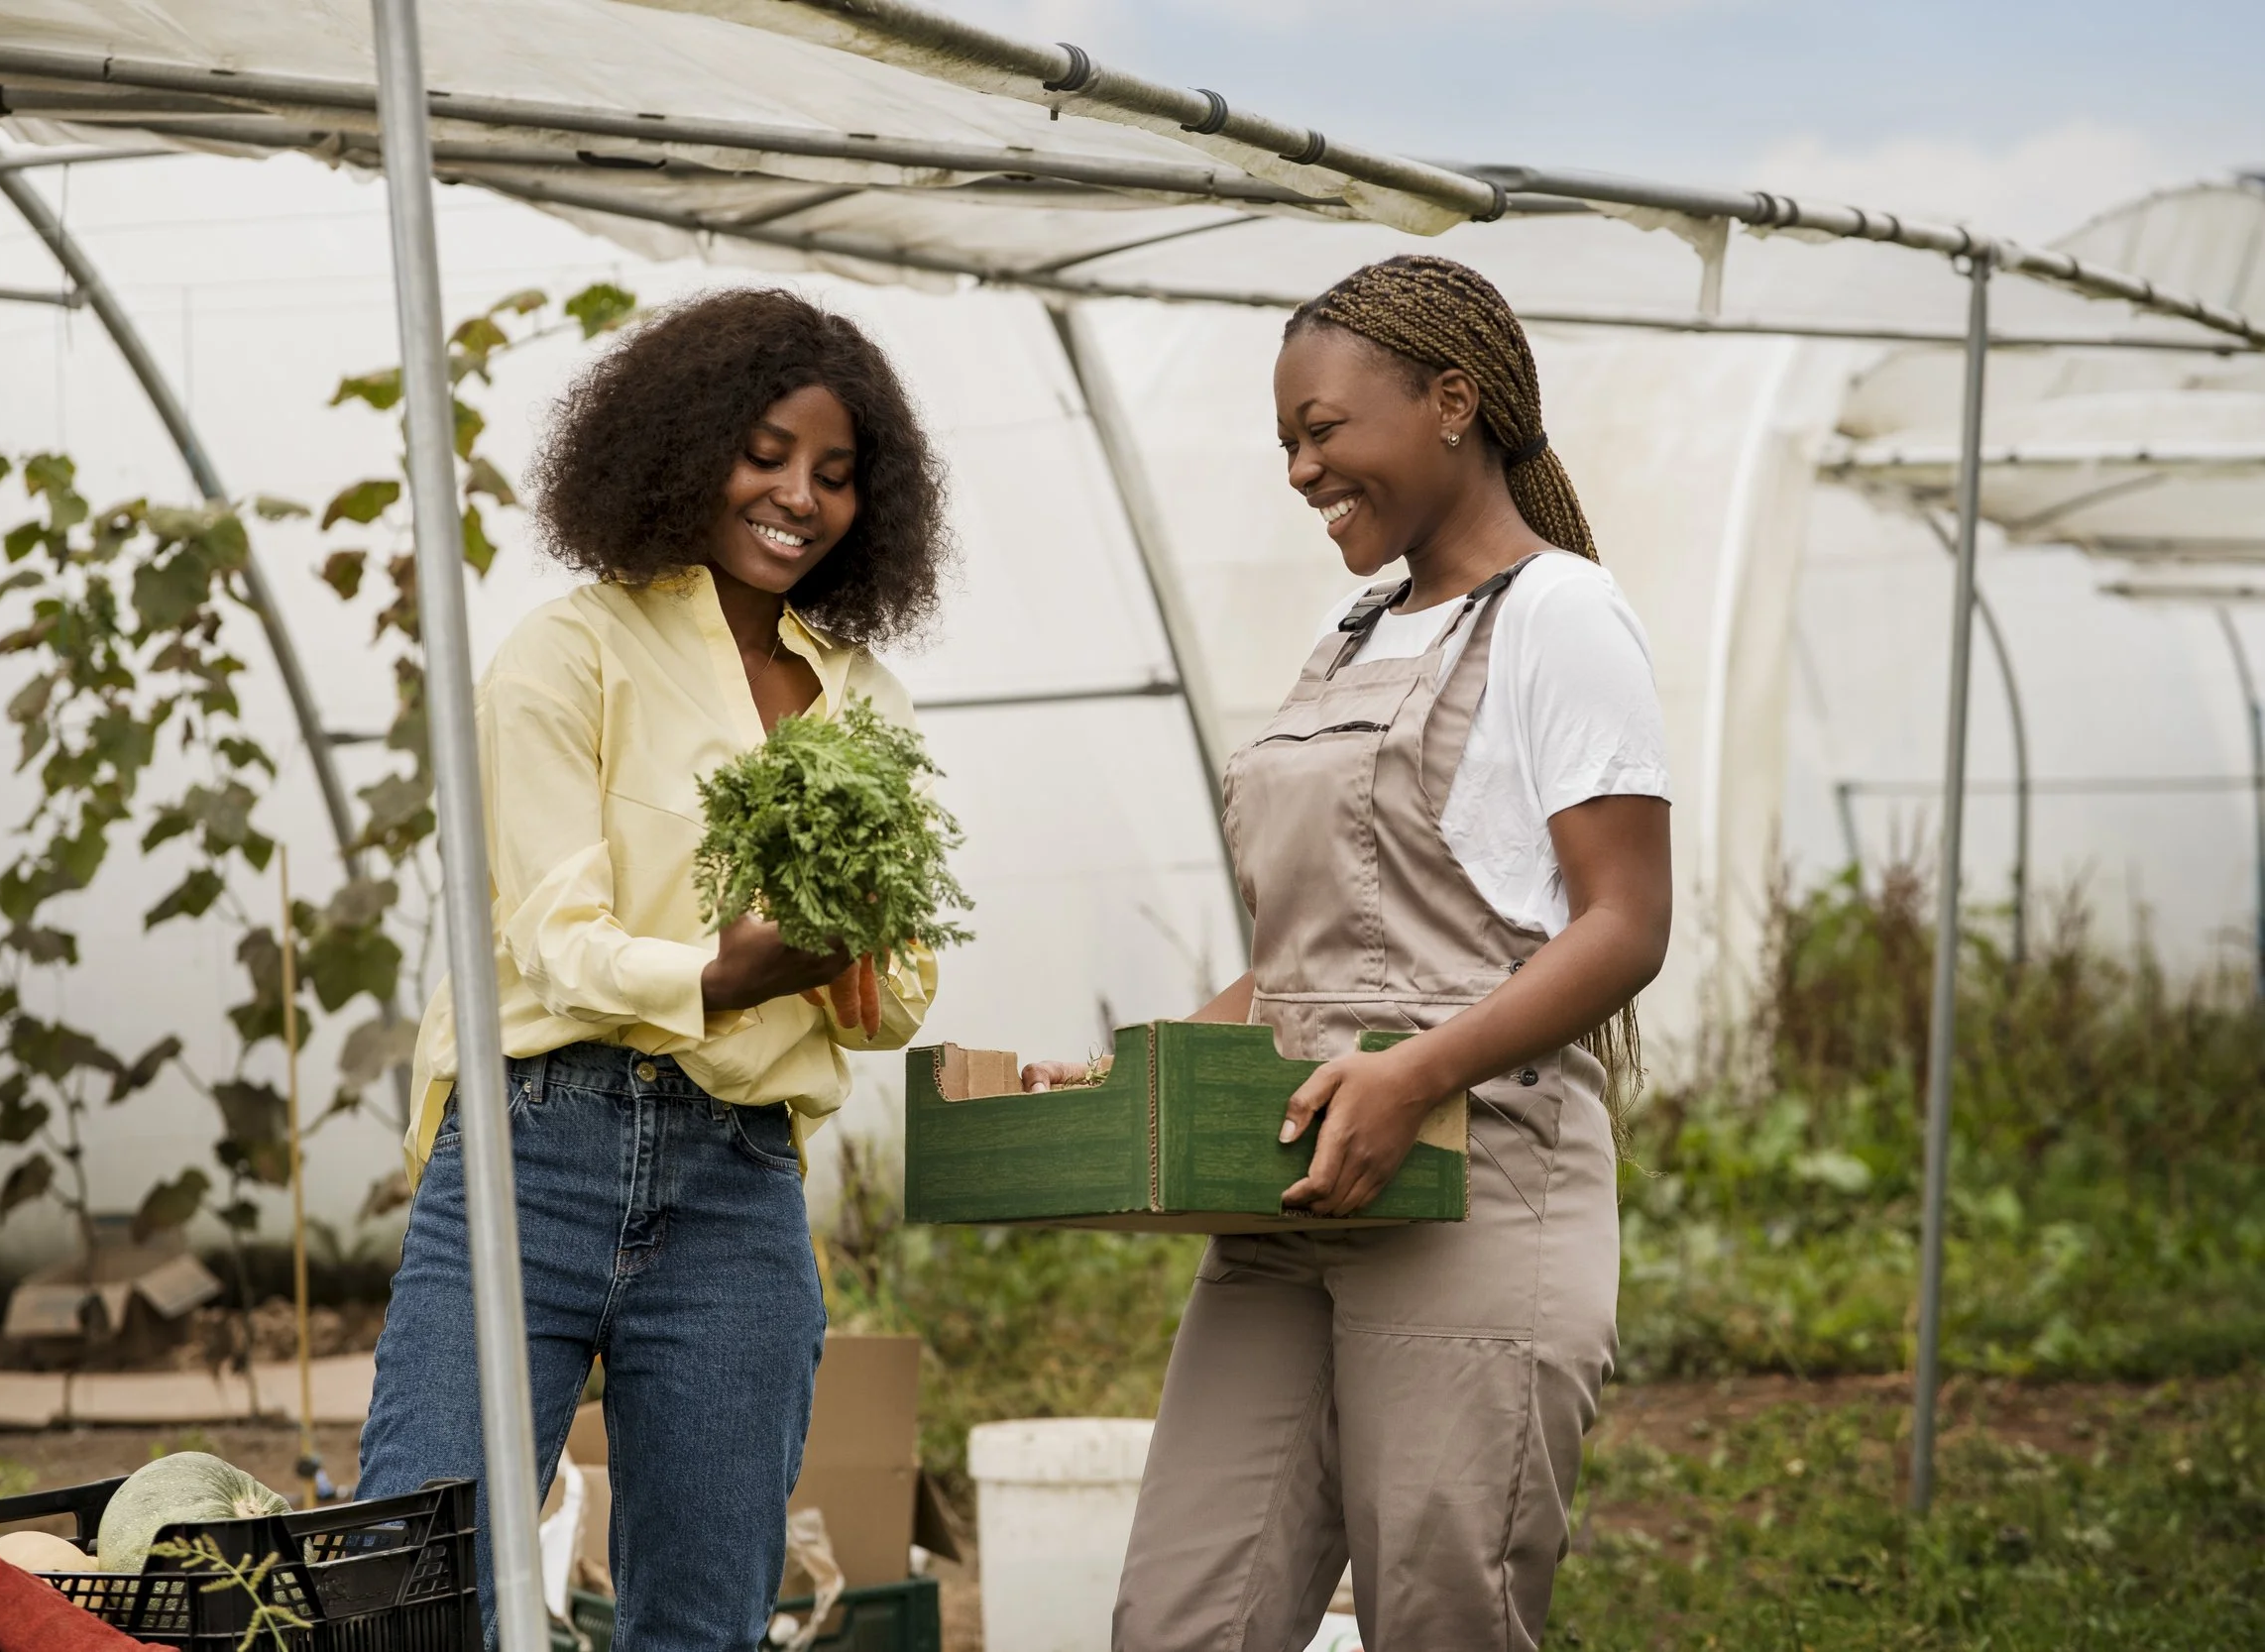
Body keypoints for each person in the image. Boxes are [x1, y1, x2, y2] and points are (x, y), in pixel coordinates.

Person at [1029, 255, 1672, 1651]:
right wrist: (1127, 1079)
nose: (1302, 468)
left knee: (1445, 1611)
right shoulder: (1353, 629)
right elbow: (1309, 956)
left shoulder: (1563, 614)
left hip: (1471, 1186)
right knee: (1182, 1615)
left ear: (1454, 400)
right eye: (1285, 443)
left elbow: (1625, 922)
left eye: (1324, 431)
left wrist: (1407, 1077)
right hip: (1287, 1191)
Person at [356, 287, 951, 1650]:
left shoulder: (862, 701)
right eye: (767, 452)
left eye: (838, 474)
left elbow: (902, 988)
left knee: (703, 1617)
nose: (801, 494)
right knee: (419, 1589)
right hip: (534, 1156)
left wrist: (843, 958)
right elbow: (553, 941)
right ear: (684, 445)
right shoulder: (569, 656)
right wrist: (739, 970)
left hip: (736, 1185)